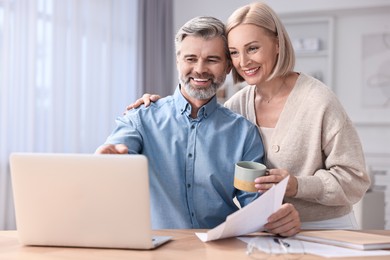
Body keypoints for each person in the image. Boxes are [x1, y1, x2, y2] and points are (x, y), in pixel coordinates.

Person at [127, 2, 371, 230]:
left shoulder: (318, 100)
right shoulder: (237, 105)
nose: (243, 62)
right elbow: (201, 115)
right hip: (270, 228)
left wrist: (297, 185)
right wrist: (157, 105)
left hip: (327, 227)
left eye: (252, 48)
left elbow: (355, 179)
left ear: (277, 44)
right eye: (234, 52)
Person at [96, 16, 301, 236]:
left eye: (212, 59)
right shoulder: (141, 118)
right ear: (178, 61)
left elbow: (254, 204)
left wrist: (278, 218)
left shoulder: (244, 133)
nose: (200, 69)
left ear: (228, 67)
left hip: (219, 247)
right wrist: (110, 161)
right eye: (190, 59)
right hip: (155, 247)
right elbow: (116, 153)